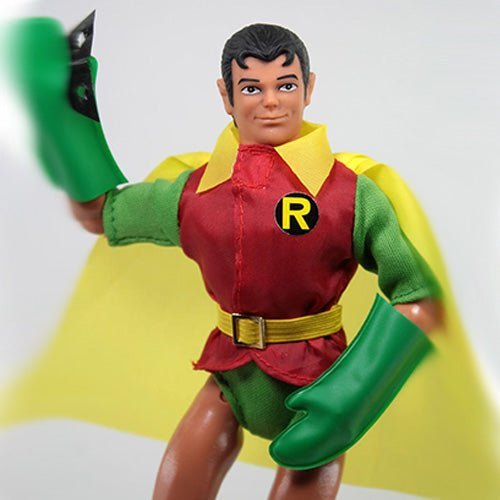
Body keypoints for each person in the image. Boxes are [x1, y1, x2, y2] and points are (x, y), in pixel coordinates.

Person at [68, 24, 441, 499]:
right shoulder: (196, 193)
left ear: (308, 88)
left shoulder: (349, 195)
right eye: (251, 88)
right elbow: (100, 212)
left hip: (321, 382)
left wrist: (354, 395)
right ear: (225, 96)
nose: (271, 102)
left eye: (285, 84)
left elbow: (419, 295)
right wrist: (67, 114)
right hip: (230, 374)